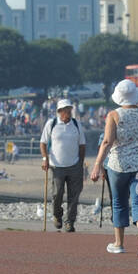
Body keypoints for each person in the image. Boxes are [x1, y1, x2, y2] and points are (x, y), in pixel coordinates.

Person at [90, 80, 138, 255]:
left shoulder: (114, 115)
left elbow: (107, 142)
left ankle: (119, 243)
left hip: (118, 167)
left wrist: (97, 165)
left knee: (119, 203)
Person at [40, 99, 87, 232]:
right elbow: (43, 143)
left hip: (74, 165)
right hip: (56, 166)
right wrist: (45, 158)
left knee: (74, 195)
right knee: (57, 193)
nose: (68, 112)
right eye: (65, 109)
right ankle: (57, 215)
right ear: (59, 111)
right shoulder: (52, 123)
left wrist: (81, 163)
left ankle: (69, 222)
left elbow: (82, 145)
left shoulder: (76, 124)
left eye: (69, 109)